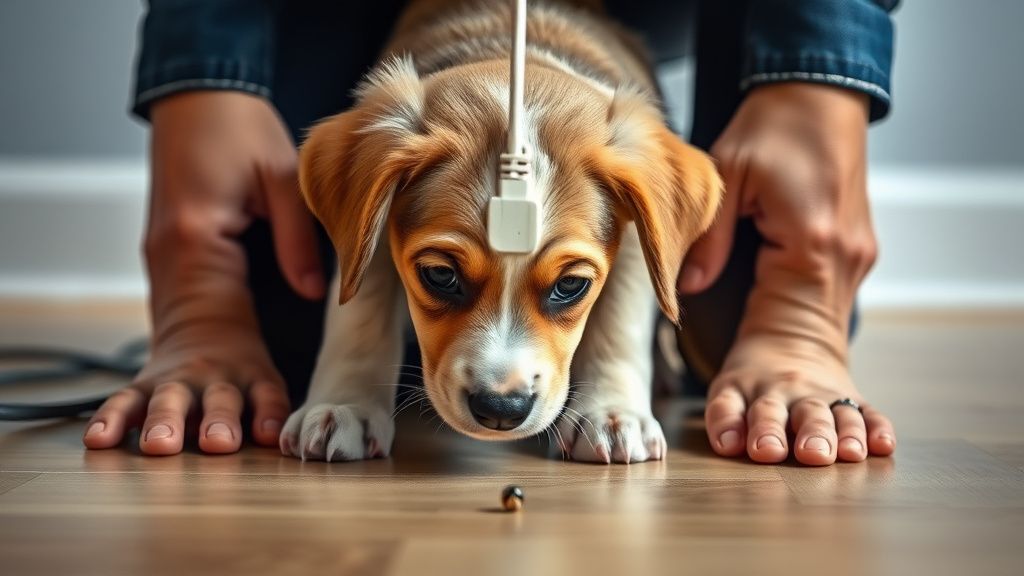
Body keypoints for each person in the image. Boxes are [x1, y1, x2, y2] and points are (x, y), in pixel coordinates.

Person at [82, 0, 898, 466]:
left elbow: (632, 233)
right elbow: (369, 218)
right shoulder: (390, 158)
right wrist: (206, 78)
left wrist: (816, 78)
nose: (504, 380)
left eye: (566, 286)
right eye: (446, 275)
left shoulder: (628, 164)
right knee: (277, 328)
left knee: (729, 305)